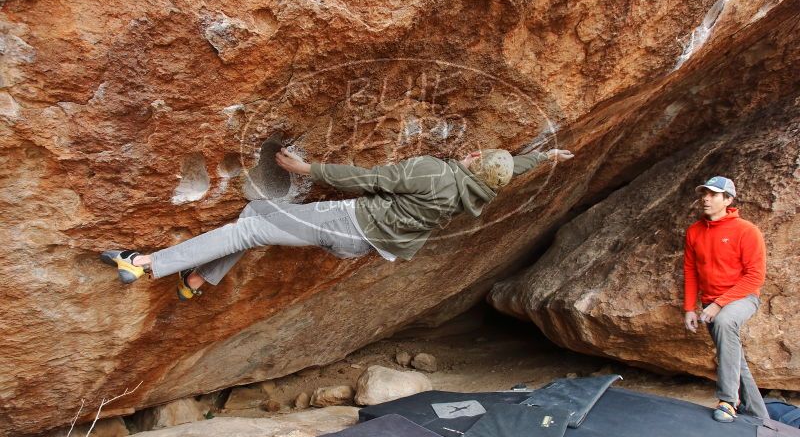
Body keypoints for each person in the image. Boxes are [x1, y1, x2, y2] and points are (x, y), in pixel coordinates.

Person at [101, 146, 574, 299]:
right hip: (361, 243)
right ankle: (200, 278)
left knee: (246, 229)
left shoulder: (434, 171)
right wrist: (543, 155)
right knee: (255, 216)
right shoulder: (477, 193)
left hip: (346, 221)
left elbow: (370, 177)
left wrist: (308, 171)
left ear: (471, 160)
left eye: (477, 155)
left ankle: (144, 264)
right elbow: (506, 167)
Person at [683, 176, 768, 422]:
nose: (706, 198)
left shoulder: (746, 231)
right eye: (704, 194)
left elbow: (755, 277)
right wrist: (690, 308)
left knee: (723, 322)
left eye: (713, 194)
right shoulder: (695, 231)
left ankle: (728, 401)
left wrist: (719, 304)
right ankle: (759, 416)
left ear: (728, 200)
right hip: (711, 302)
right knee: (734, 360)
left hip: (742, 297)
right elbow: (690, 271)